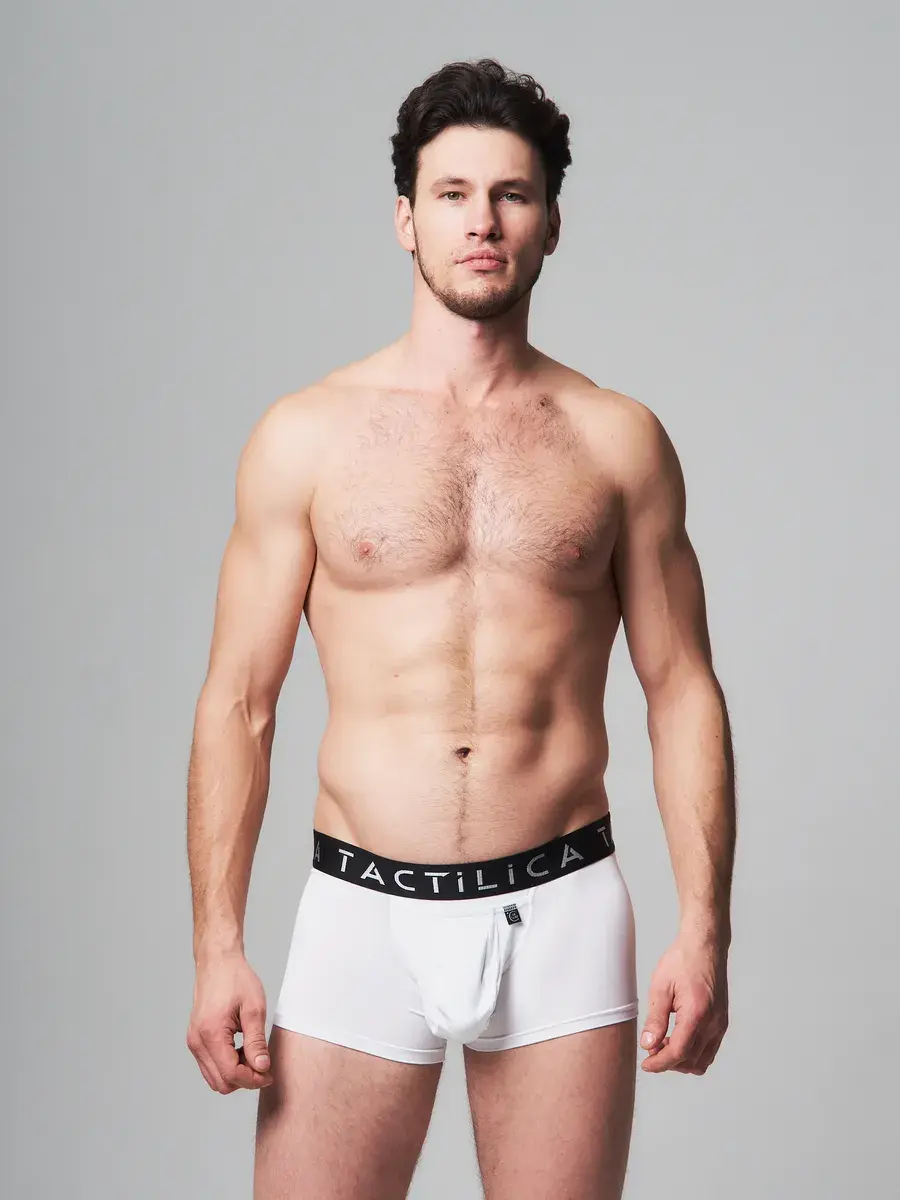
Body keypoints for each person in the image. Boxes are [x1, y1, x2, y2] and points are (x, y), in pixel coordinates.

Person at [186, 57, 736, 1200]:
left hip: (562, 910)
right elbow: (240, 701)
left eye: (511, 195)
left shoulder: (618, 441)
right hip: (360, 912)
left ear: (550, 225)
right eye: (451, 195)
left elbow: (681, 686)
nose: (481, 222)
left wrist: (704, 929)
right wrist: (218, 945)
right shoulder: (306, 436)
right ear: (406, 219)